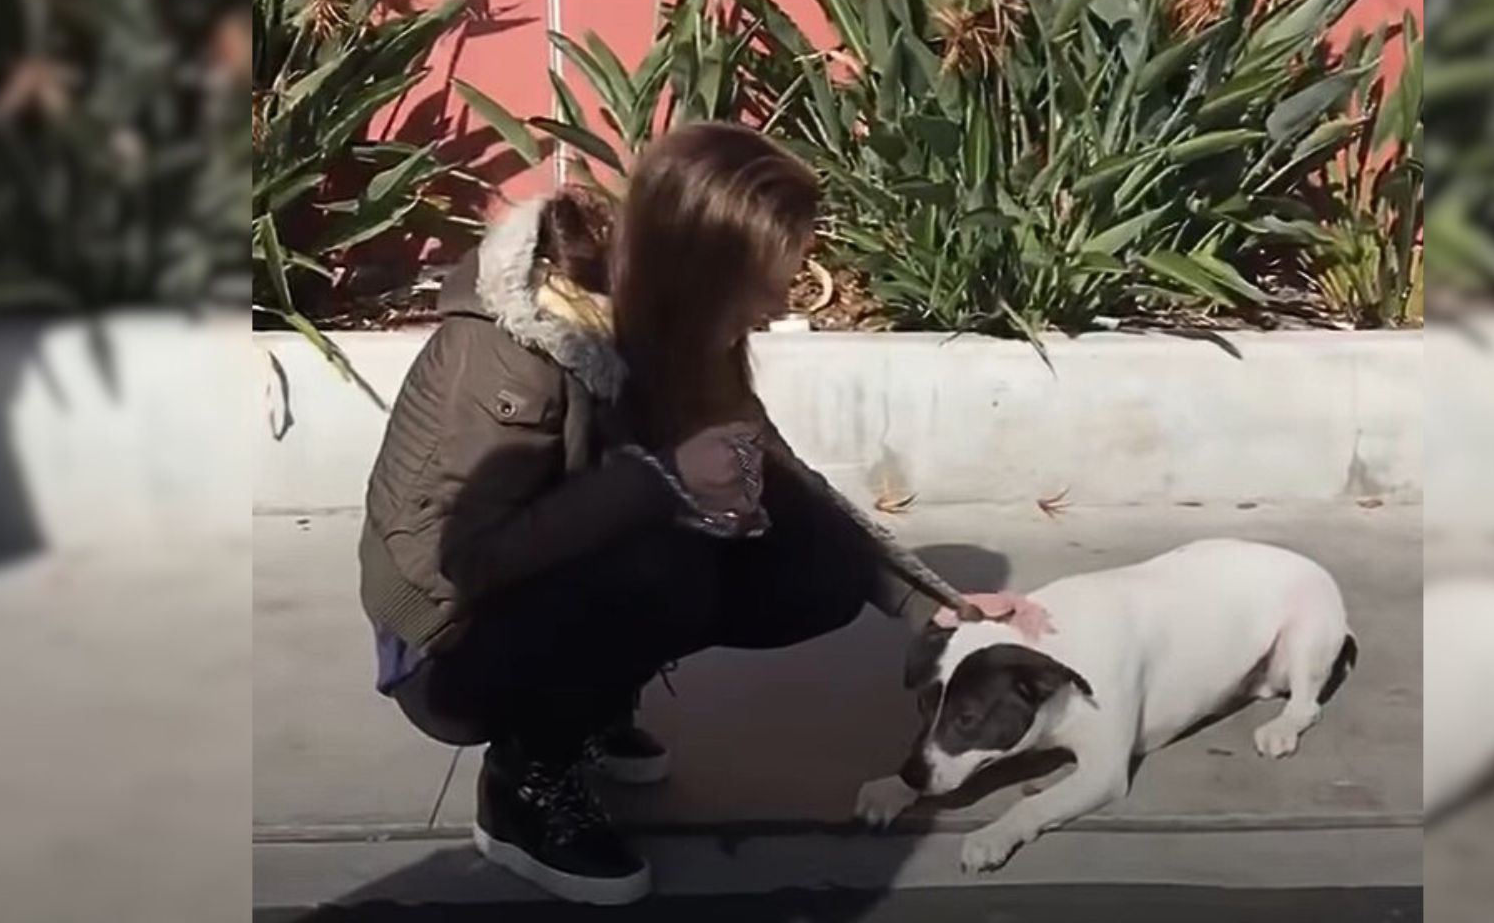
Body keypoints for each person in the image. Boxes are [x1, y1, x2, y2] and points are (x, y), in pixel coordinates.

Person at [357, 122, 1037, 905]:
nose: (786, 300)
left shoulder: (681, 326)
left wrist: (938, 609)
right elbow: (456, 563)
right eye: (775, 277)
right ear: (703, 269)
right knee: (666, 557)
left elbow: (785, 479)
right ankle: (525, 782)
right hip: (445, 650)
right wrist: (659, 481)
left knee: (815, 565)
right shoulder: (514, 351)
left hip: (549, 587)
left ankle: (588, 704)